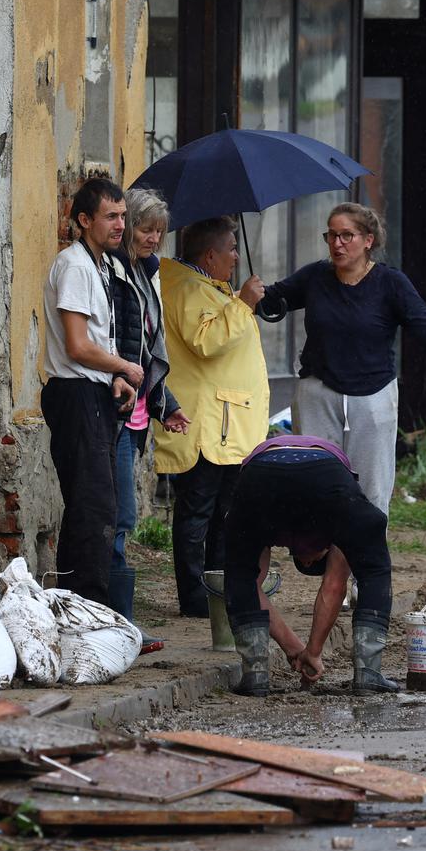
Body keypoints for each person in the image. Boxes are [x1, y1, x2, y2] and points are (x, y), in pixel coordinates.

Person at [257, 202, 426, 516]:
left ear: (368, 240)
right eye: (331, 236)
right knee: (313, 482)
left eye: (347, 236)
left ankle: (363, 561)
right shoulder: (316, 276)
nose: (337, 244)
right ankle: (320, 558)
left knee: (370, 489)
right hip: (317, 392)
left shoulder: (390, 283)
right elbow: (272, 300)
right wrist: (251, 293)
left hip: (373, 396)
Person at [154, 216, 269, 617]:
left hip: (225, 424)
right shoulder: (186, 287)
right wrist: (244, 305)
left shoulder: (204, 286)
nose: (237, 257)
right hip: (206, 425)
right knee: (198, 514)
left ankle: (218, 589)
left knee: (225, 514)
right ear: (209, 254)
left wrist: (237, 301)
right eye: (232, 249)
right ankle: (195, 596)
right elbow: (206, 341)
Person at [223, 433, 398, 696]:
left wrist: (304, 650)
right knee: (374, 571)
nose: (306, 557)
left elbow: (251, 585)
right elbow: (334, 585)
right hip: (324, 475)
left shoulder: (288, 528)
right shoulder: (337, 526)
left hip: (261, 475)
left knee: (240, 573)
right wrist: (307, 651)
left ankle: (255, 676)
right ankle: (368, 673)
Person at [41, 176, 141, 607]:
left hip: (93, 391)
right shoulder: (77, 266)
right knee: (93, 508)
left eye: (123, 216)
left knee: (97, 508)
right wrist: (123, 366)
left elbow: (94, 341)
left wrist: (115, 377)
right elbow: (78, 345)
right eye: (110, 217)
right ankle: (86, 608)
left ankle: (79, 606)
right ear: (84, 220)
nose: (120, 225)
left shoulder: (102, 265)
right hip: (75, 396)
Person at [106, 188, 190, 638]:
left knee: (123, 516)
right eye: (145, 228)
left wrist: (165, 404)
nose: (153, 238)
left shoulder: (145, 272)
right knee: (118, 517)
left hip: (137, 414)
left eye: (159, 231)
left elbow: (148, 347)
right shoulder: (116, 274)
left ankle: (121, 622)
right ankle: (120, 624)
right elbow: (120, 346)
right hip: (116, 410)